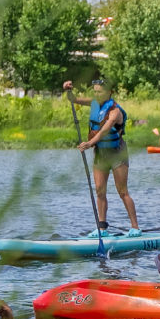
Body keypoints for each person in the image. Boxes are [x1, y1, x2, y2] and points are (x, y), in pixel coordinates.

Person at [64, 78, 140, 236]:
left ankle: (135, 227)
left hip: (117, 152)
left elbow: (105, 131)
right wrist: (68, 90)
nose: (97, 94)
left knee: (122, 191)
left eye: (100, 91)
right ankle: (102, 228)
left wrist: (89, 143)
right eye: (95, 91)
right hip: (100, 153)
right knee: (100, 191)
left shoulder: (115, 111)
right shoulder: (93, 103)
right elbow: (73, 99)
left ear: (109, 92)